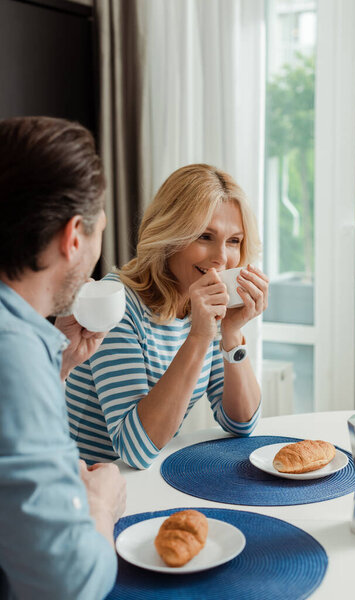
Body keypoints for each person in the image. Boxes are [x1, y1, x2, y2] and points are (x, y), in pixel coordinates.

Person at [66, 163, 269, 469]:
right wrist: (200, 336)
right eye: (204, 236)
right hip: (82, 485)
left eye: (234, 241)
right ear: (171, 234)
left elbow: (241, 423)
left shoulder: (202, 304)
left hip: (140, 484)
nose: (222, 257)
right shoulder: (117, 305)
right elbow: (135, 450)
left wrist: (231, 334)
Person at [0, 116, 126, 600]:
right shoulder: (14, 357)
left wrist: (60, 366)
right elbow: (68, 585)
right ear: (74, 236)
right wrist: (101, 505)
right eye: (100, 233)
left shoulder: (26, 351)